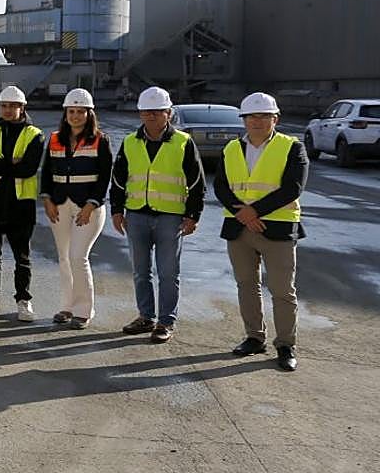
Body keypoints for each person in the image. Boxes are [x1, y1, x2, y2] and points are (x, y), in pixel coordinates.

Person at [213, 92, 308, 372]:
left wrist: (254, 212)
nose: (256, 121)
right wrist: (242, 212)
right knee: (246, 286)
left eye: (263, 116)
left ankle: (286, 345)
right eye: (251, 116)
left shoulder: (292, 147)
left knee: (282, 290)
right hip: (239, 228)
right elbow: (220, 186)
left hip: (276, 229)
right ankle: (254, 337)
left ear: (274, 119)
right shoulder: (231, 148)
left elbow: (293, 187)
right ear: (243, 120)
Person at [110, 86, 205, 343]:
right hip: (137, 215)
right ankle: (146, 316)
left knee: (168, 273)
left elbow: (197, 183)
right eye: (146, 112)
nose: (151, 116)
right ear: (140, 114)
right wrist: (117, 210)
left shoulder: (183, 143)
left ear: (168, 113)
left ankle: (165, 321)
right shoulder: (130, 142)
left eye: (157, 112)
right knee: (140, 271)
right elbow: (118, 180)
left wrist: (193, 215)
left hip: (170, 218)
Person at [40, 88, 112, 329]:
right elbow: (47, 173)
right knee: (64, 258)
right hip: (60, 205)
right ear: (65, 113)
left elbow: (104, 178)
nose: (76, 116)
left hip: (87, 208)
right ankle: (66, 307)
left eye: (81, 111)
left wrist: (91, 205)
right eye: (71, 111)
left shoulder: (100, 140)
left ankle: (83, 310)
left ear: (89, 114)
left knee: (78, 257)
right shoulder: (54, 139)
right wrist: (47, 200)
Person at [0, 86, 44, 321]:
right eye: (3, 106)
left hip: (20, 204)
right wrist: (10, 164)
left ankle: (23, 301)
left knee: (21, 257)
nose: (7, 109)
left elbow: (28, 169)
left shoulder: (34, 134)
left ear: (22, 108)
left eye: (12, 106)